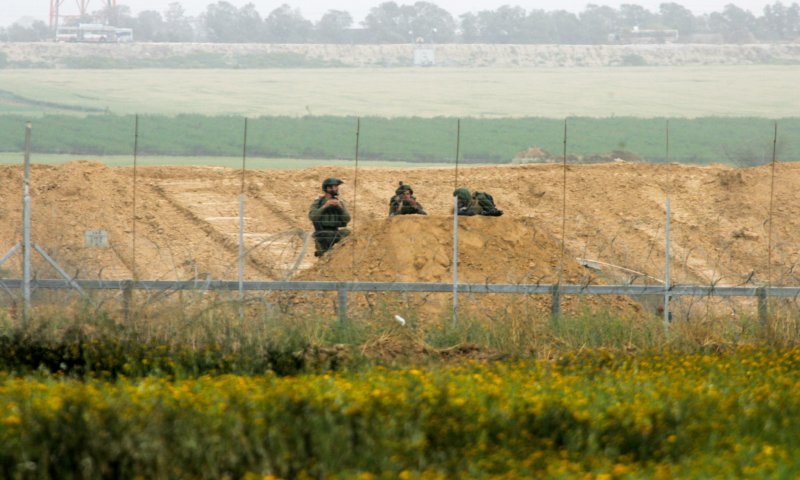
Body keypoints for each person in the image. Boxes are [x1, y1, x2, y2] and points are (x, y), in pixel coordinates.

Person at [309, 177, 351, 257]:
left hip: (335, 233)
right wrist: (325, 206)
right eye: (335, 186)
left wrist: (340, 208)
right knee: (324, 257)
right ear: (328, 188)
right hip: (322, 234)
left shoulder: (339, 202)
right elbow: (312, 217)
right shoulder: (319, 202)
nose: (337, 189)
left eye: (337, 186)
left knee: (348, 232)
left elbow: (347, 219)